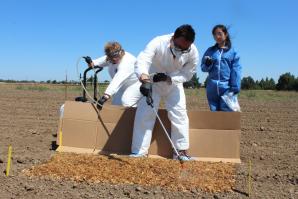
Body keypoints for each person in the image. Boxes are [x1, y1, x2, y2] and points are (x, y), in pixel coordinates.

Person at [130, 24, 199, 161]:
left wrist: (170, 78)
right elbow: (143, 60)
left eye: (185, 49)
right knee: (145, 114)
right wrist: (144, 80)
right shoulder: (158, 42)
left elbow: (188, 74)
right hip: (152, 81)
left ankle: (180, 152)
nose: (182, 50)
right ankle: (139, 152)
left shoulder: (193, 51)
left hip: (173, 84)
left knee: (180, 115)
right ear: (173, 38)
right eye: (179, 47)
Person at [88, 42, 142, 109]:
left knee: (127, 101)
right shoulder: (109, 58)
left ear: (120, 52)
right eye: (111, 57)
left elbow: (117, 80)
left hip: (135, 84)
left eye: (116, 56)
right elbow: (97, 62)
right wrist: (91, 62)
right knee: (116, 105)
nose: (114, 59)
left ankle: (133, 118)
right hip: (122, 86)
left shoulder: (127, 62)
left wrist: (105, 96)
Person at [201, 24, 241, 111]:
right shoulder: (210, 51)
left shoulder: (233, 52)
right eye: (214, 34)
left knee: (226, 115)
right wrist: (208, 64)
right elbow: (203, 68)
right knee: (214, 115)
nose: (217, 36)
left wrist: (235, 88)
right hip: (212, 88)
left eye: (219, 33)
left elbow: (236, 70)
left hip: (227, 88)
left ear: (225, 34)